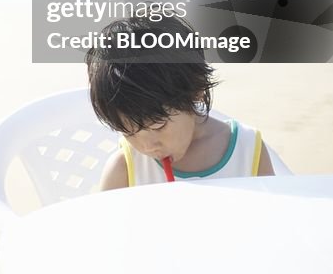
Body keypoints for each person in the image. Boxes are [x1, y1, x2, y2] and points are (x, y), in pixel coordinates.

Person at [85, 13, 275, 191]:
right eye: (129, 132)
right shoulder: (125, 169)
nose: (147, 146)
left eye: (158, 125)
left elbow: (271, 216)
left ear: (196, 92)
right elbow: (104, 225)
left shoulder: (248, 150)